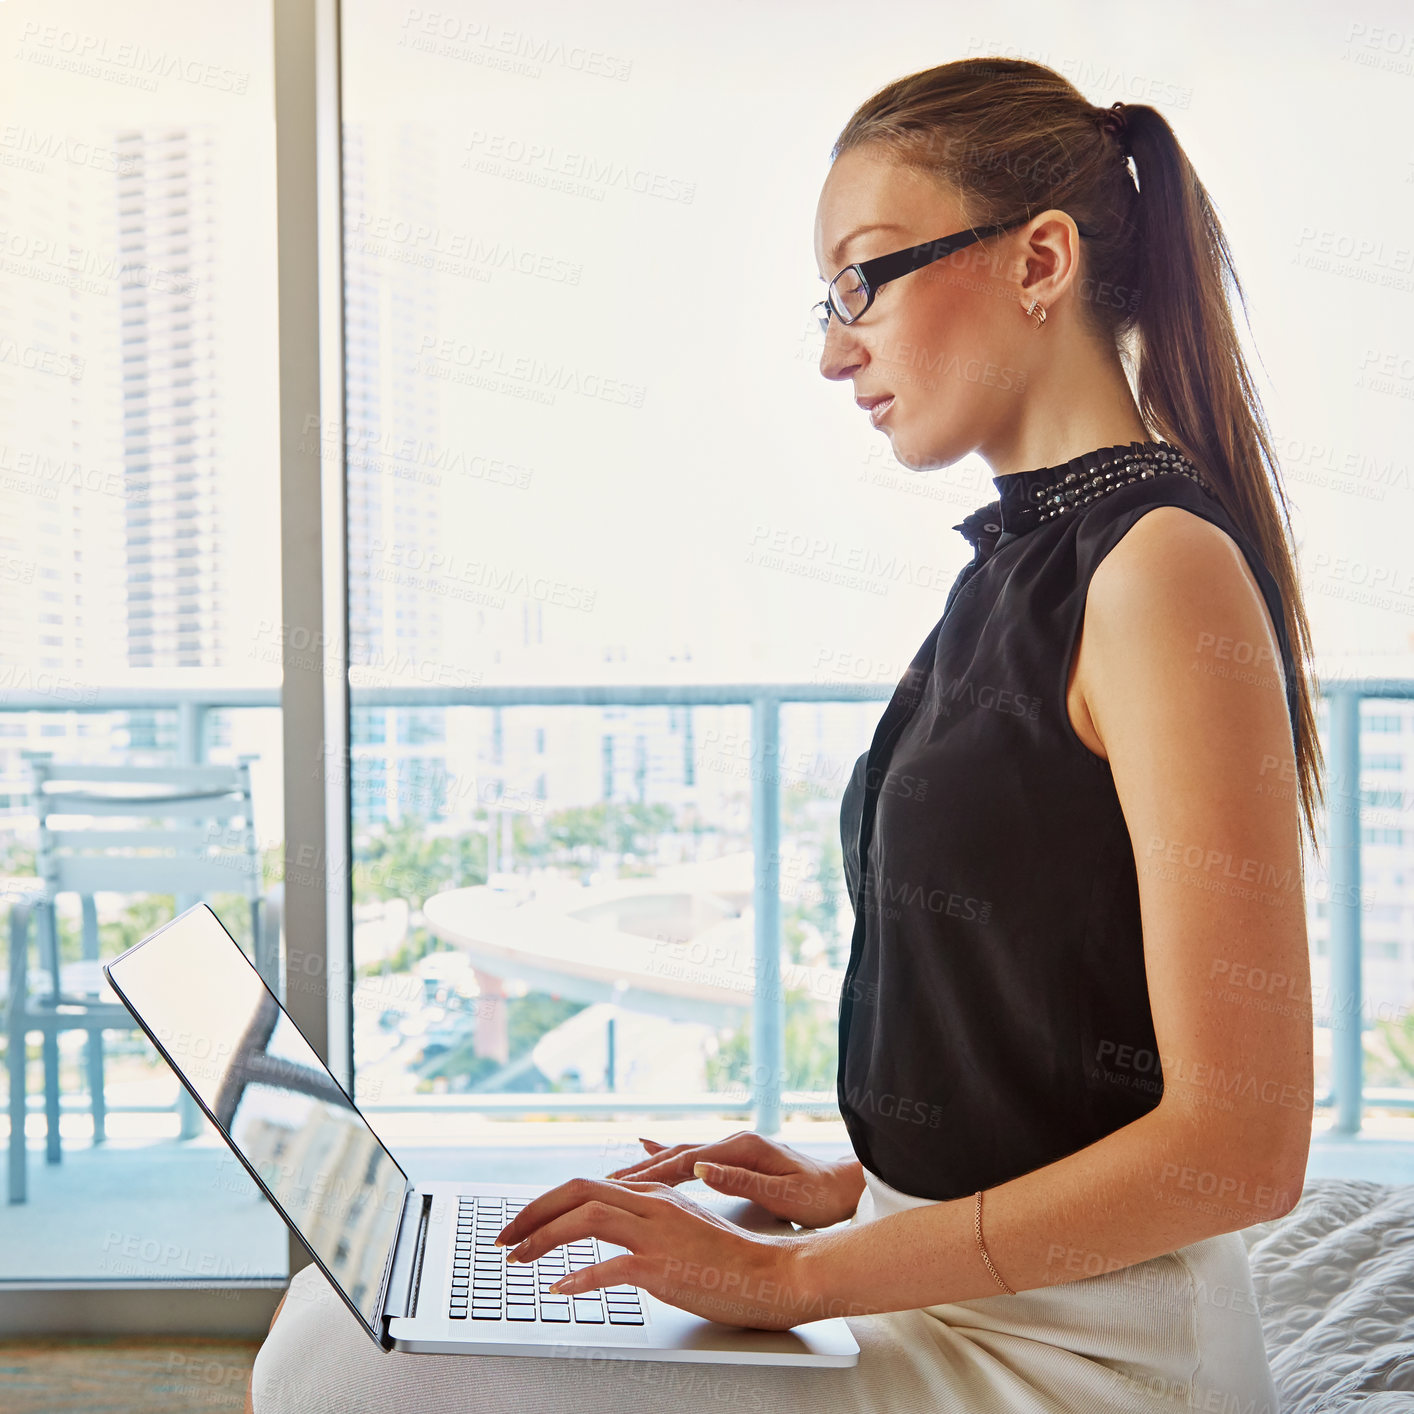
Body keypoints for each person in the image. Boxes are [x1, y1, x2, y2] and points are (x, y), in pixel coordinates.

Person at [249, 55, 1322, 1414]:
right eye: (828, 299)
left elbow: (1237, 1146)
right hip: (941, 1290)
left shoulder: (1159, 571)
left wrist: (792, 1279)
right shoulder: (1014, 562)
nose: (833, 346)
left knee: (342, 1365)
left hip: (1077, 1366)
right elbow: (1048, 1015)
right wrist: (846, 1188)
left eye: (862, 278)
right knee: (341, 1321)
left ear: (1038, 259)